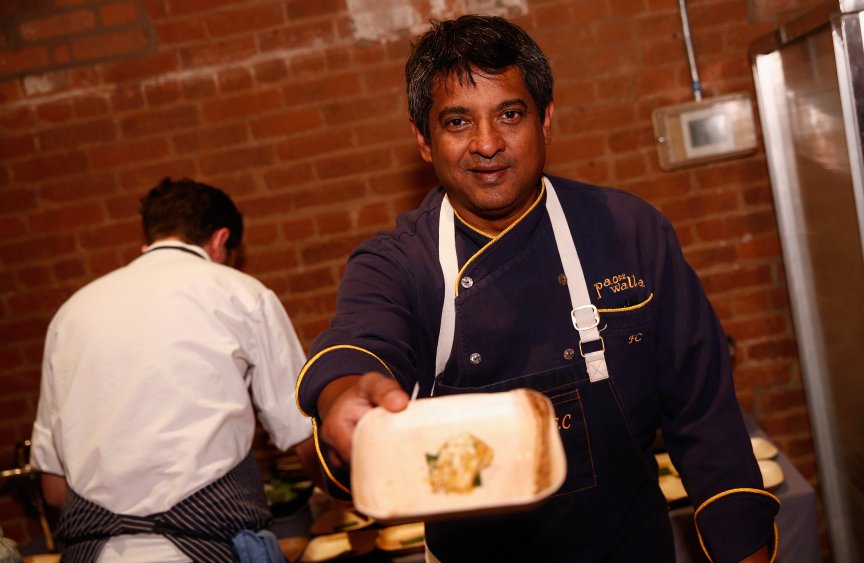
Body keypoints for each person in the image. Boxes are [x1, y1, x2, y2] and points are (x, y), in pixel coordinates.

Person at [296, 15, 779, 562]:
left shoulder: (628, 231)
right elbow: (362, 341)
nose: (486, 144)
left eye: (509, 114)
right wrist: (345, 394)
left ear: (545, 120)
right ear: (423, 141)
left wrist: (744, 548)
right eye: (457, 122)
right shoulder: (398, 262)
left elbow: (704, 413)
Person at [30, 178, 319, 562]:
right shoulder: (242, 293)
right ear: (221, 241)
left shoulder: (70, 314)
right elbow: (303, 436)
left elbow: (53, 489)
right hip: (209, 550)